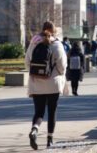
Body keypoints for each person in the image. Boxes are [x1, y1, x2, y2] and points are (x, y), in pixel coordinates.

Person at [25, 21, 67, 150]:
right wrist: (59, 74)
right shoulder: (57, 44)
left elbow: (27, 62)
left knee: (39, 112)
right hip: (53, 84)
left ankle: (35, 130)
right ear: (53, 31)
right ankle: (50, 140)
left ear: (42, 29)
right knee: (52, 111)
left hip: (36, 84)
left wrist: (36, 74)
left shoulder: (33, 43)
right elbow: (62, 65)